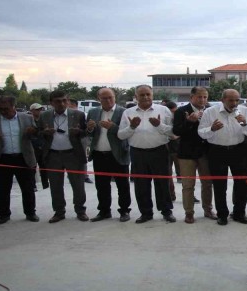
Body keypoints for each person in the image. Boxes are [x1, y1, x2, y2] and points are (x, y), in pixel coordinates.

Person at [118, 85, 176, 223]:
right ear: (136, 96)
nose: (145, 97)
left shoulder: (163, 110)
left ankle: (166, 211)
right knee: (141, 184)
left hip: (159, 151)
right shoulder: (128, 112)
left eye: (147, 94)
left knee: (162, 183)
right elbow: (120, 135)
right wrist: (132, 126)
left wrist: (159, 125)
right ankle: (146, 213)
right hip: (138, 153)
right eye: (142, 95)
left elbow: (173, 132)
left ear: (152, 95)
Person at [198, 89, 247, 225]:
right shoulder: (210, 112)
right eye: (231, 100)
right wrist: (212, 129)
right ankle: (222, 214)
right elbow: (201, 132)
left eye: (237, 100)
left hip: (238, 150)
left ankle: (239, 213)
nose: (234, 103)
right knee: (219, 185)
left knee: (242, 184)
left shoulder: (243, 111)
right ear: (222, 100)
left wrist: (245, 123)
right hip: (217, 151)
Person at [0, 95, 39, 224]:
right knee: (3, 188)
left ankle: (30, 212)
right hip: (3, 158)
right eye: (1, 109)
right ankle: (4, 214)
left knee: (28, 188)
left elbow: (36, 136)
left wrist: (33, 132)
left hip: (23, 157)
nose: (3, 111)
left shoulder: (27, 118)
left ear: (13, 106)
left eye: (6, 109)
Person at [37, 91, 89, 223]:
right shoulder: (45, 116)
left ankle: (80, 210)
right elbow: (38, 133)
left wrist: (79, 132)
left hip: (73, 154)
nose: (61, 103)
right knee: (55, 185)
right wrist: (45, 132)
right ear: (51, 103)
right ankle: (59, 212)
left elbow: (86, 133)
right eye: (57, 101)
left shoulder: (78, 115)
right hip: (53, 155)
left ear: (68, 101)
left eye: (64, 100)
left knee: (78, 185)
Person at [86, 88, 132, 222]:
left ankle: (124, 211)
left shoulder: (124, 112)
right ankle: (104, 211)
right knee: (101, 186)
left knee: (122, 185)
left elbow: (128, 132)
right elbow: (89, 134)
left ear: (115, 97)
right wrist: (89, 128)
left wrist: (113, 127)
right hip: (99, 154)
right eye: (104, 98)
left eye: (110, 97)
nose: (108, 100)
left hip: (118, 154)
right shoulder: (93, 112)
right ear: (98, 98)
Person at [172, 86, 215, 223]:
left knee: (207, 183)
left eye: (205, 97)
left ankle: (208, 209)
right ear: (191, 97)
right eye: (199, 97)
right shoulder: (181, 111)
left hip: (206, 153)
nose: (203, 100)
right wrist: (189, 122)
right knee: (188, 185)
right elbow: (177, 131)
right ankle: (189, 212)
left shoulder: (211, 110)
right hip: (186, 154)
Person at [68, 99, 93, 184]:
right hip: (69, 140)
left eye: (69, 104)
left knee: (82, 157)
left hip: (81, 139)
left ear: (74, 105)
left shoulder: (82, 114)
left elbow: (87, 128)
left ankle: (84, 175)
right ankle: (71, 174)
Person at [29, 103, 49, 190]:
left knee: (44, 167)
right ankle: (33, 185)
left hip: (43, 146)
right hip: (33, 146)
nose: (39, 111)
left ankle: (46, 184)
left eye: (40, 109)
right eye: (37, 110)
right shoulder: (29, 120)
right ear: (32, 110)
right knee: (32, 167)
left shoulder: (43, 120)